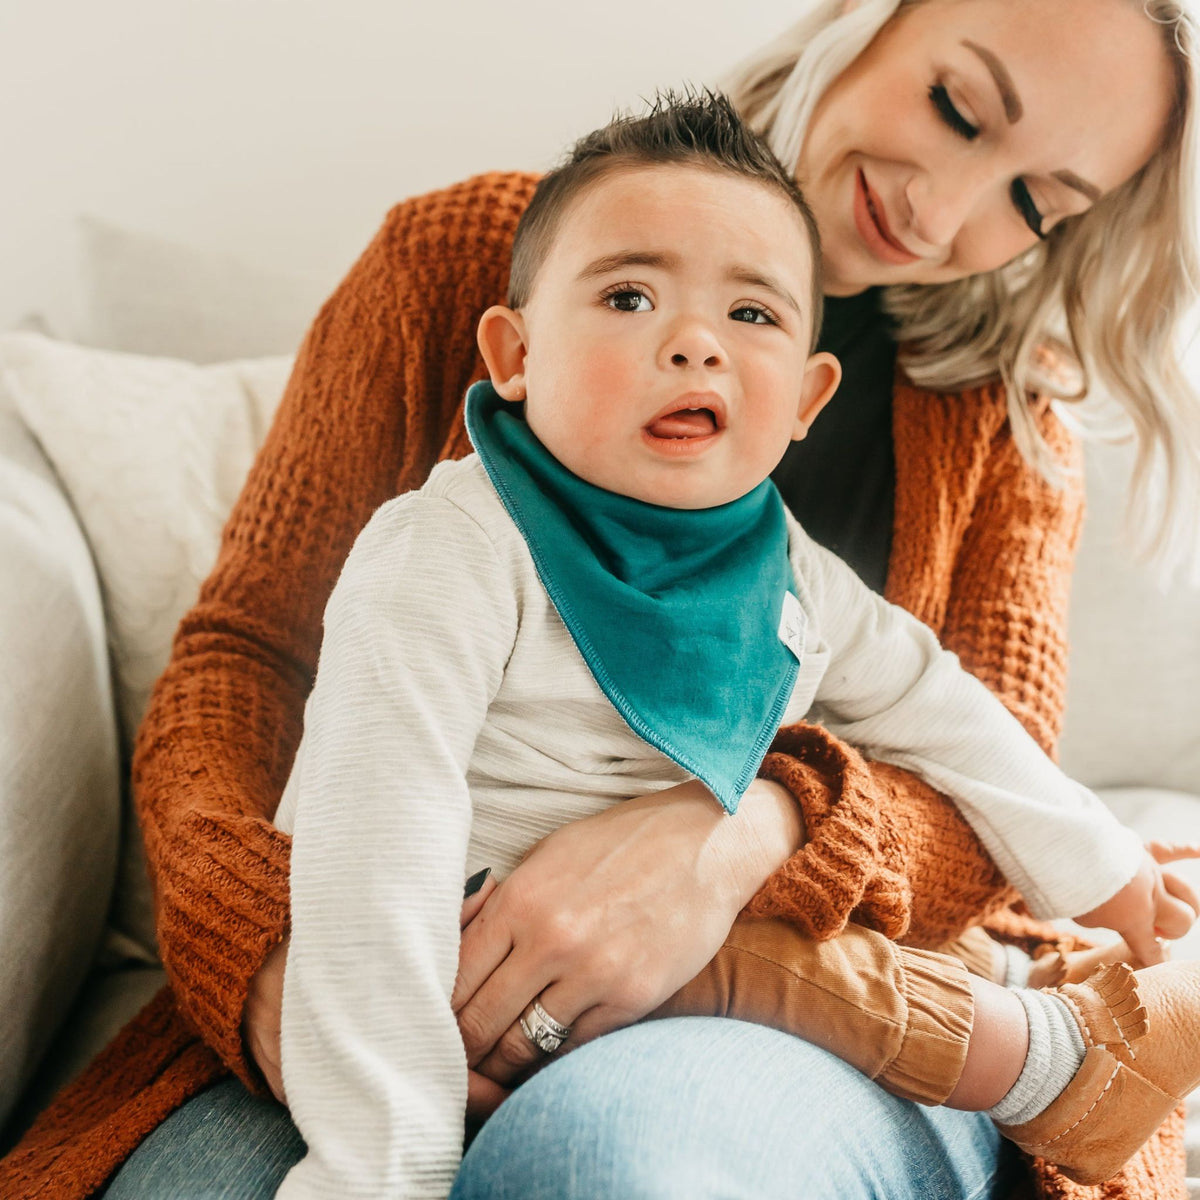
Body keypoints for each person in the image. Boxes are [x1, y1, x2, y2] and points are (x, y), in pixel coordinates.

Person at [2, 0, 1197, 1197]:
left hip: (780, 988)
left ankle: (1060, 1058)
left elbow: (963, 743)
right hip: (386, 953)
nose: (943, 208)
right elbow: (249, 661)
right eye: (956, 106)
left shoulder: (983, 439)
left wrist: (742, 840)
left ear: (811, 394)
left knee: (613, 1166)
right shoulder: (453, 391)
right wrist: (271, 959)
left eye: (1036, 202)